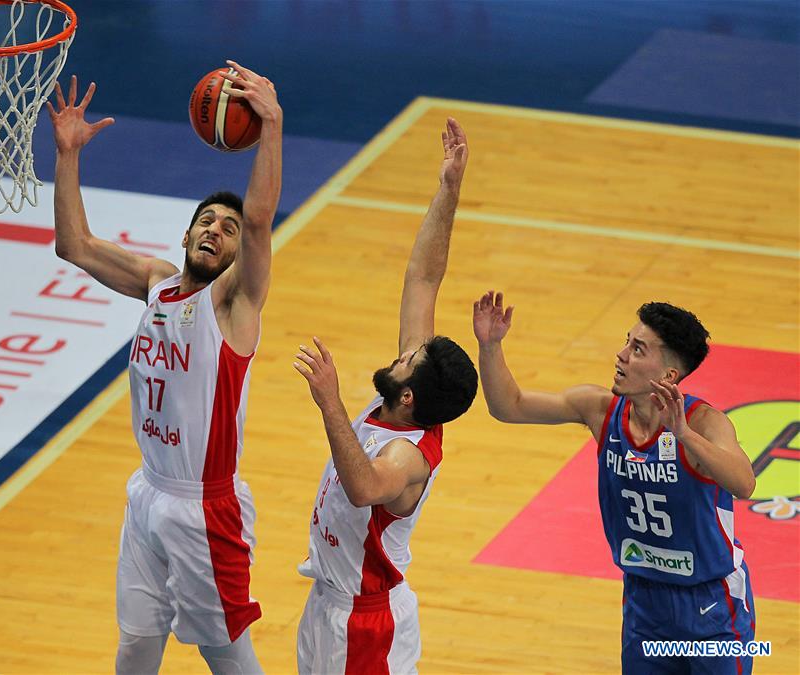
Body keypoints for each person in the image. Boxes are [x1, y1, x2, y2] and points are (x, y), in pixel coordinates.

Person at [47, 61, 281, 675]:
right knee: (136, 643)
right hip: (147, 492)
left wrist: (272, 124)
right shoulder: (158, 283)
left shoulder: (234, 304)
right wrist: (68, 154)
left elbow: (259, 220)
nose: (217, 230)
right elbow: (74, 244)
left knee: (225, 652)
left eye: (228, 230)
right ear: (186, 233)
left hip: (205, 507)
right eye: (207, 220)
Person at [473, 292, 757, 673]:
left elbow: (744, 484)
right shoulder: (600, 409)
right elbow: (509, 407)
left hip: (712, 605)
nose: (621, 355)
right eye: (627, 342)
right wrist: (490, 347)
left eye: (638, 349)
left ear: (668, 376)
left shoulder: (705, 422)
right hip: (645, 600)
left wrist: (684, 435)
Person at [292, 118, 478, 674]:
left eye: (407, 361)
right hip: (326, 605)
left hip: (367, 624)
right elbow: (423, 278)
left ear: (408, 400)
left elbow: (362, 488)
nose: (400, 354)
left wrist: (329, 402)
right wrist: (449, 190)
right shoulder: (409, 398)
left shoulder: (405, 458)